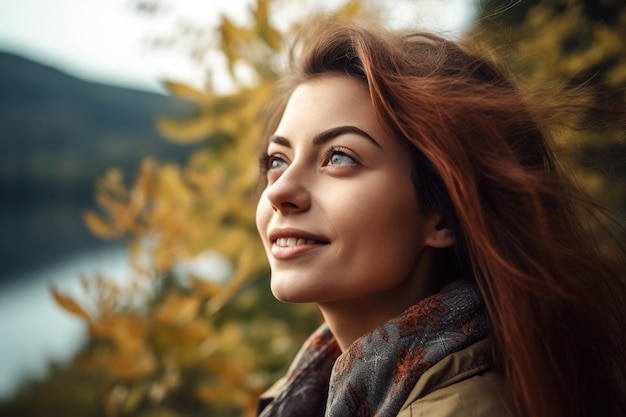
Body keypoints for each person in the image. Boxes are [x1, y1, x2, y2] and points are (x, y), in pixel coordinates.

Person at [254, 17, 626, 417]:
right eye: (278, 160)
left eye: (339, 157)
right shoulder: (307, 396)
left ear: (442, 217)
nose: (279, 192)